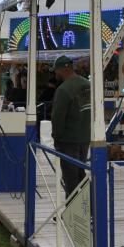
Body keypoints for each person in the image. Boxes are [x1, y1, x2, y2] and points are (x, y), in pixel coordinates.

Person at [49, 56, 91, 197]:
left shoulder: (63, 89)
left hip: (68, 140)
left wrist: (56, 138)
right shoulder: (88, 84)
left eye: (56, 71)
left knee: (70, 179)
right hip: (85, 138)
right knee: (80, 174)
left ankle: (72, 208)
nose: (55, 74)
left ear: (61, 70)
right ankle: (87, 205)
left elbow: (57, 118)